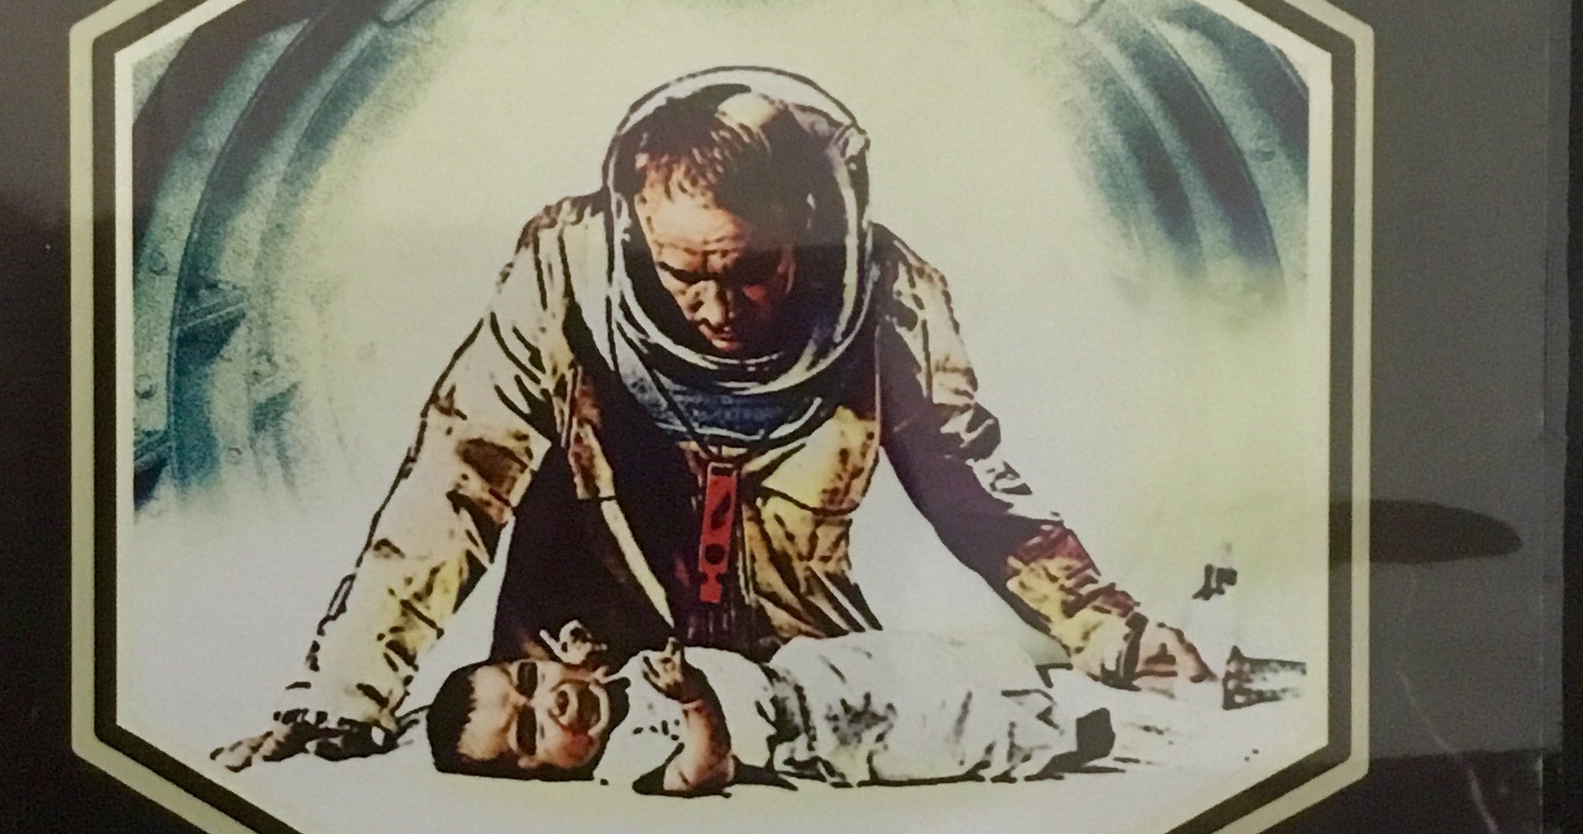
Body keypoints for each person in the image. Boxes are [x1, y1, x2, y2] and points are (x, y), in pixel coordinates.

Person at [248, 67, 1208, 765]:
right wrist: (346, 689)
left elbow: (968, 488)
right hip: (583, 676)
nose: (716, 308)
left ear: (805, 223)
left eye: (751, 271)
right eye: (682, 273)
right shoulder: (561, 272)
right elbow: (457, 477)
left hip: (794, 683)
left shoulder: (887, 294)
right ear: (635, 231)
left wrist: (1108, 629)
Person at [219, 625, 1120, 796]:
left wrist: (585, 659)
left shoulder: (603, 680)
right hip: (820, 734)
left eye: (529, 678)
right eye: (531, 732)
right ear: (544, 771)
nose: (549, 699)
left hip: (807, 664)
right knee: (939, 730)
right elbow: (702, 769)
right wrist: (695, 703)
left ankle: (1054, 670)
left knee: (932, 655)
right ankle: (1053, 739)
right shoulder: (622, 762)